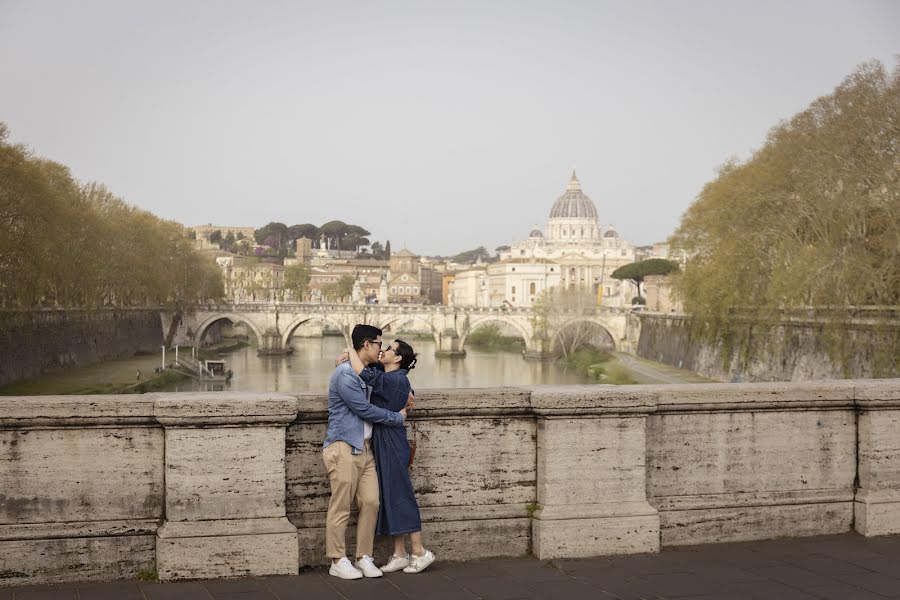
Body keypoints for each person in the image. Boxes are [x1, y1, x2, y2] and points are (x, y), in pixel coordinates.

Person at [323, 324, 408, 580]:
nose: (382, 348)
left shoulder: (367, 370)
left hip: (365, 448)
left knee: (372, 502)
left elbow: (393, 378)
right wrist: (397, 417)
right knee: (341, 507)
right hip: (343, 446)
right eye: (379, 344)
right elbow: (364, 410)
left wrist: (348, 349)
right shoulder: (345, 374)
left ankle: (363, 556)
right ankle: (337, 559)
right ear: (367, 345)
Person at [344, 338, 436, 574]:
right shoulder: (391, 375)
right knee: (388, 496)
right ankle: (399, 553)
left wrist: (349, 349)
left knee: (401, 494)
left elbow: (366, 374)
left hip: (392, 442)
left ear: (397, 359)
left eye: (389, 349)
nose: (383, 350)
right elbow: (373, 369)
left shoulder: (394, 378)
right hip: (383, 441)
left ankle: (419, 551)